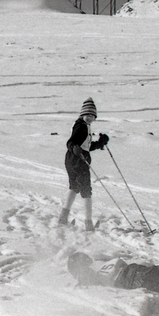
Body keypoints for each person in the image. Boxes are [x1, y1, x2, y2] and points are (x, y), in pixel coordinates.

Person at [57, 97, 109, 231]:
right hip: (78, 161)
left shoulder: (84, 125)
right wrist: (74, 147)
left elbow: (86, 146)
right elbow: (71, 142)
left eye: (93, 115)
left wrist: (99, 143)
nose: (90, 117)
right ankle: (88, 223)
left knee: (74, 187)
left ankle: (63, 217)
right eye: (88, 115)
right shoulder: (81, 126)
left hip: (72, 160)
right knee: (86, 191)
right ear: (83, 115)